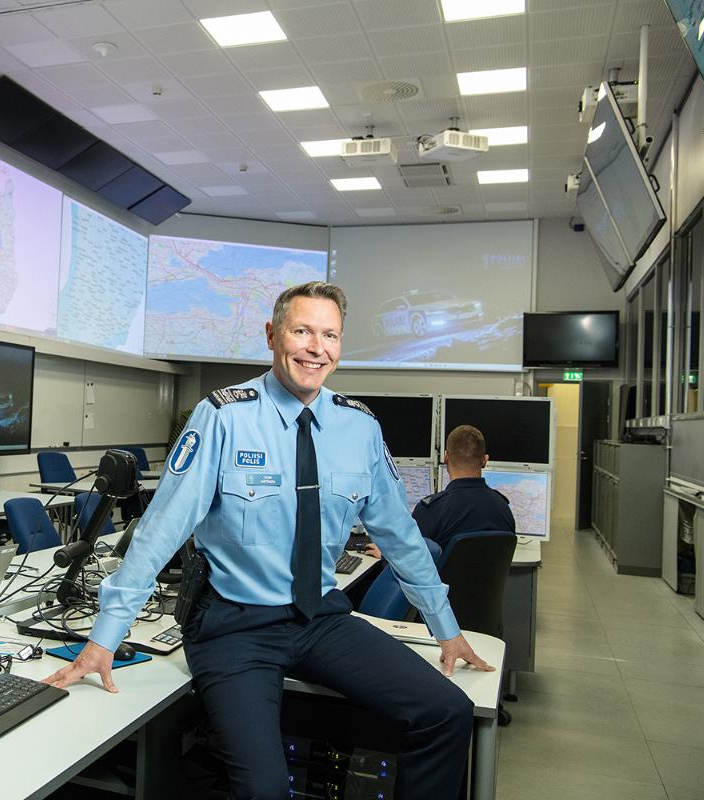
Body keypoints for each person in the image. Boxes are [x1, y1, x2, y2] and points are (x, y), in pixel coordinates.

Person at [43, 281, 492, 800]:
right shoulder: (224, 416)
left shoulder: (359, 427)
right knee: (265, 789)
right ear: (272, 335)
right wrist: (104, 637)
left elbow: (401, 536)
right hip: (235, 626)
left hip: (320, 619)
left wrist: (445, 628)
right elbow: (161, 530)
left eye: (330, 335)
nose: (316, 348)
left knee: (446, 712)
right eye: (302, 331)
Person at [364, 425, 516, 560]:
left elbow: (410, 561)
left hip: (441, 585)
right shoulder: (503, 509)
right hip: (489, 585)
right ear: (485, 460)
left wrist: (386, 555)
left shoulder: (431, 509)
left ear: (446, 457)